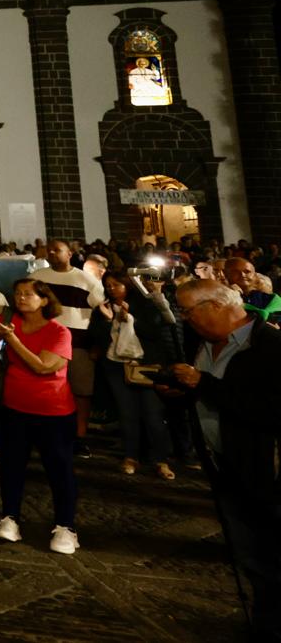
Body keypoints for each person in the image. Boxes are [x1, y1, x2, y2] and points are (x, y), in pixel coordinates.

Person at [167, 279, 281, 640]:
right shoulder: (204, 344)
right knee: (253, 558)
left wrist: (202, 383)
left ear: (215, 306)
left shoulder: (270, 346)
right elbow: (209, 398)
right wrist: (180, 390)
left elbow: (269, 410)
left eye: (188, 311)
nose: (185, 319)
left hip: (269, 472)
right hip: (226, 467)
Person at [0, 279, 80, 555]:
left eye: (29, 294)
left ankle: (65, 526)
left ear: (44, 300)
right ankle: (10, 516)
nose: (21, 297)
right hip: (14, 407)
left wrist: (12, 339)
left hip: (53, 412)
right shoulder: (8, 321)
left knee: (59, 469)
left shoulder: (59, 332)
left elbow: (43, 367)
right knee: (12, 465)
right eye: (17, 293)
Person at [89, 271, 178, 479]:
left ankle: (160, 459)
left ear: (127, 285)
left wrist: (130, 319)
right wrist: (109, 321)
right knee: (127, 414)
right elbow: (97, 337)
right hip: (116, 366)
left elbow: (155, 331)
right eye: (108, 285)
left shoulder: (144, 305)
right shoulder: (102, 309)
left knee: (152, 414)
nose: (112, 288)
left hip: (144, 364)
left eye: (116, 284)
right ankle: (130, 456)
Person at [30, 239, 104, 455]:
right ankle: (45, 434)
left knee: (81, 391)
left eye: (57, 250)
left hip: (78, 344)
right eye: (49, 250)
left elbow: (100, 313)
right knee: (46, 391)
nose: (52, 253)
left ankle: (79, 436)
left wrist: (96, 343)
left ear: (70, 253)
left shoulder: (86, 280)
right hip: (45, 344)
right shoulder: (37, 279)